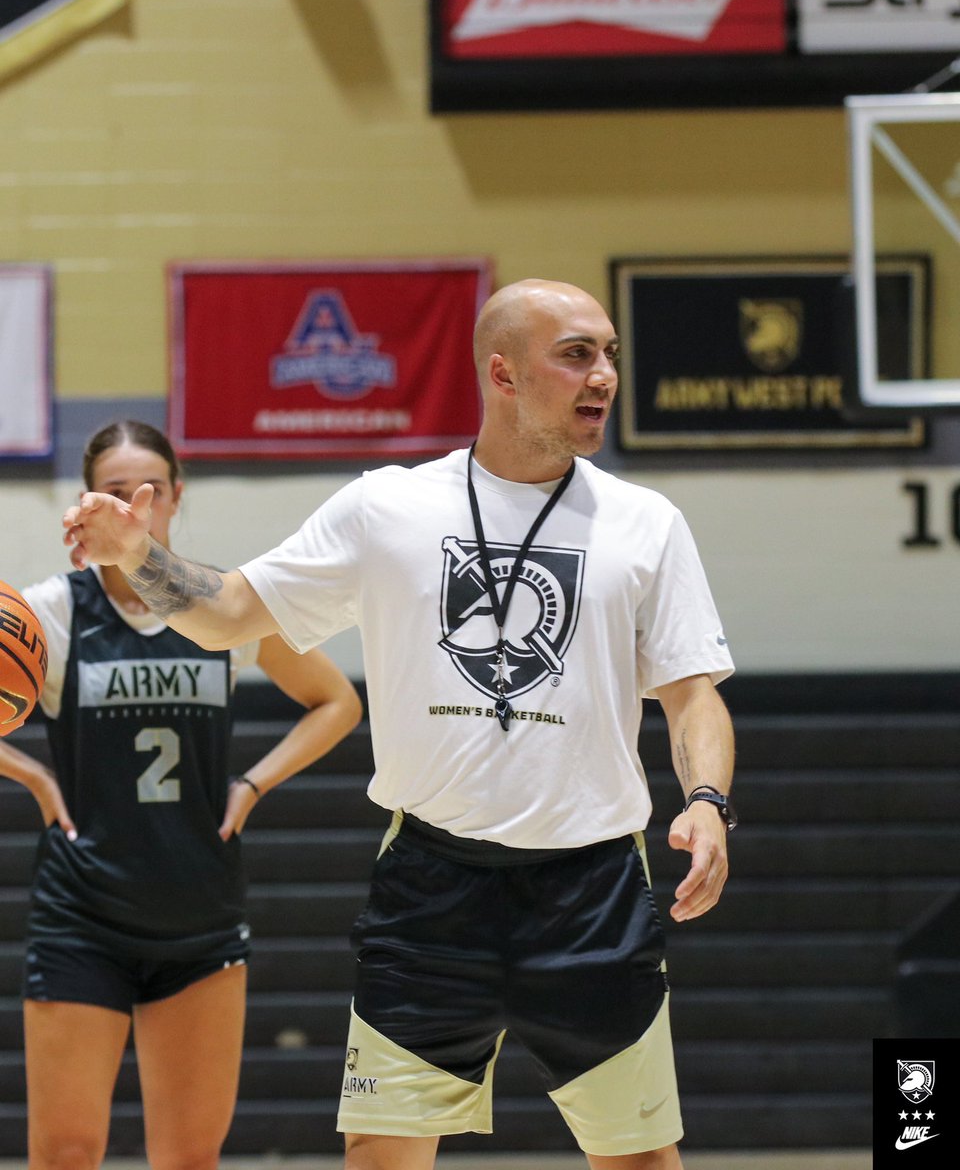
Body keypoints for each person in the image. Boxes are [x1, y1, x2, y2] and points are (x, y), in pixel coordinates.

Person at [62, 282, 736, 1170]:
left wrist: (707, 800)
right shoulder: (386, 508)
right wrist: (138, 556)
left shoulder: (646, 524)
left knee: (641, 1160)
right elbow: (229, 614)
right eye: (577, 353)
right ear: (501, 372)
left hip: (591, 893)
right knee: (380, 1156)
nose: (603, 374)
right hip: (431, 890)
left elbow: (693, 694)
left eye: (609, 353)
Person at [1, 420, 362, 1170]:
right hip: (83, 916)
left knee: (189, 1157)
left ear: (174, 499)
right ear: (86, 504)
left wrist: (255, 783)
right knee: (65, 1153)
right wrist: (33, 773)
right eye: (114, 492)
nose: (134, 506)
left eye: (150, 492)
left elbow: (339, 703)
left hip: (199, 914)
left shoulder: (223, 608)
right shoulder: (55, 612)